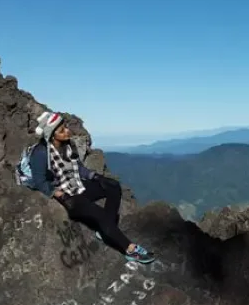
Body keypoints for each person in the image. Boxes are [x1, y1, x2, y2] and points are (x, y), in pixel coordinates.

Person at [29, 111, 155, 264]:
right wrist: (60, 195)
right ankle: (130, 249)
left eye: (66, 127)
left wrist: (96, 177)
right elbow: (39, 181)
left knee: (113, 186)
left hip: (79, 186)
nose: (67, 131)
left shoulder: (68, 145)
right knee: (100, 215)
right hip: (70, 197)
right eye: (62, 130)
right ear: (52, 135)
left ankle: (106, 230)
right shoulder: (41, 153)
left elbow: (79, 168)